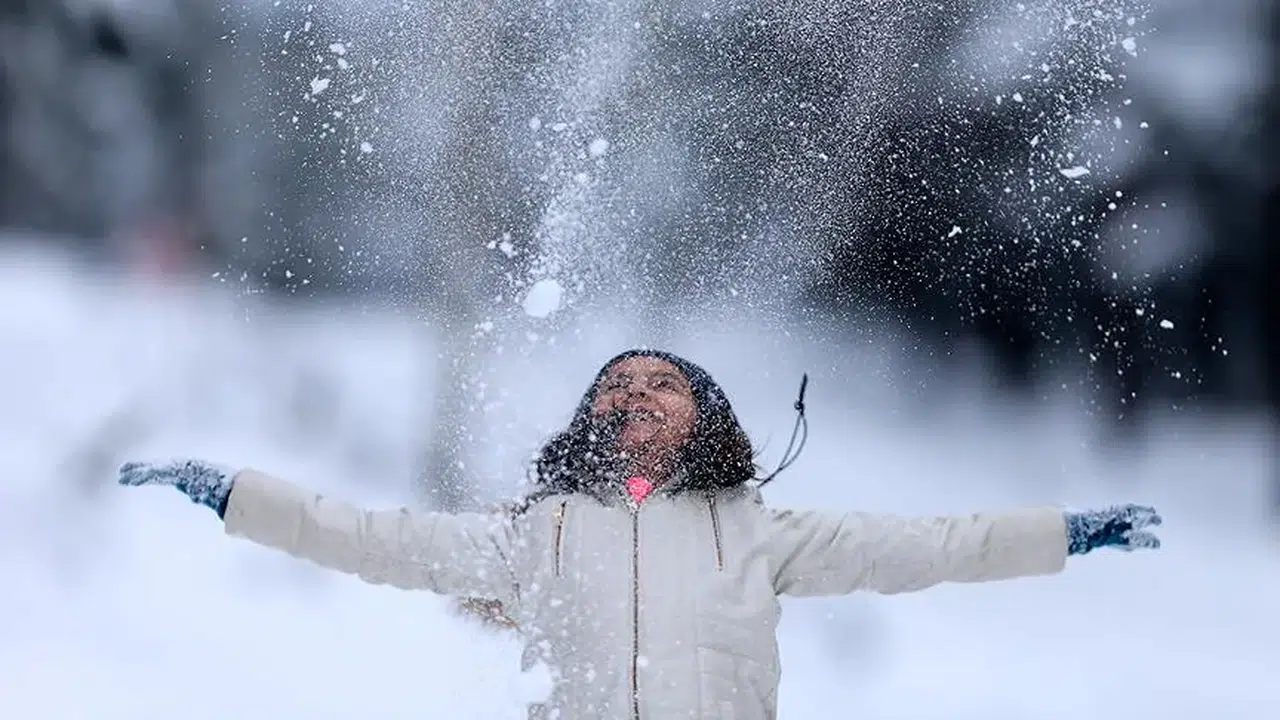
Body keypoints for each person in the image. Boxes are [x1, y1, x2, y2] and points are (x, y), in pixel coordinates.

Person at [118, 348, 1162, 720]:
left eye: (661, 382)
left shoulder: (758, 531)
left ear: (705, 417)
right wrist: (234, 495)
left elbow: (933, 543)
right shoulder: (537, 536)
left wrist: (1063, 533)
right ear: (589, 420)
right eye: (614, 385)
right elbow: (372, 537)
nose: (634, 394)